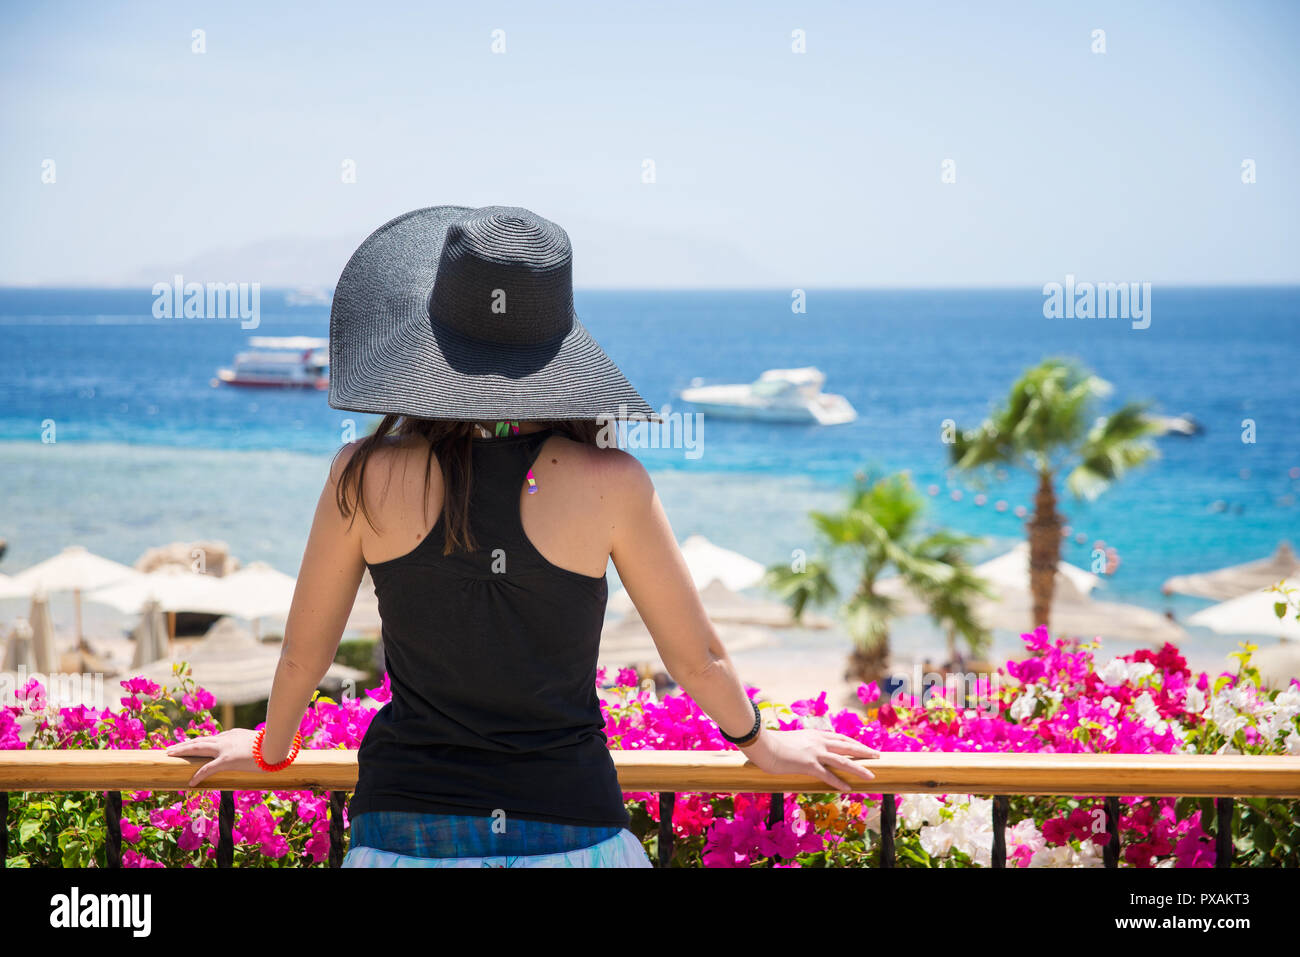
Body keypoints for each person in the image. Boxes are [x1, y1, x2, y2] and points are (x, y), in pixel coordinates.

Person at [166, 205, 880, 866]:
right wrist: (762, 743)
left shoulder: (364, 474)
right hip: (574, 830)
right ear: (557, 350)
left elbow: (302, 656)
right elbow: (697, 659)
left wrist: (271, 749)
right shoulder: (613, 483)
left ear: (428, 343)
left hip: (405, 832)